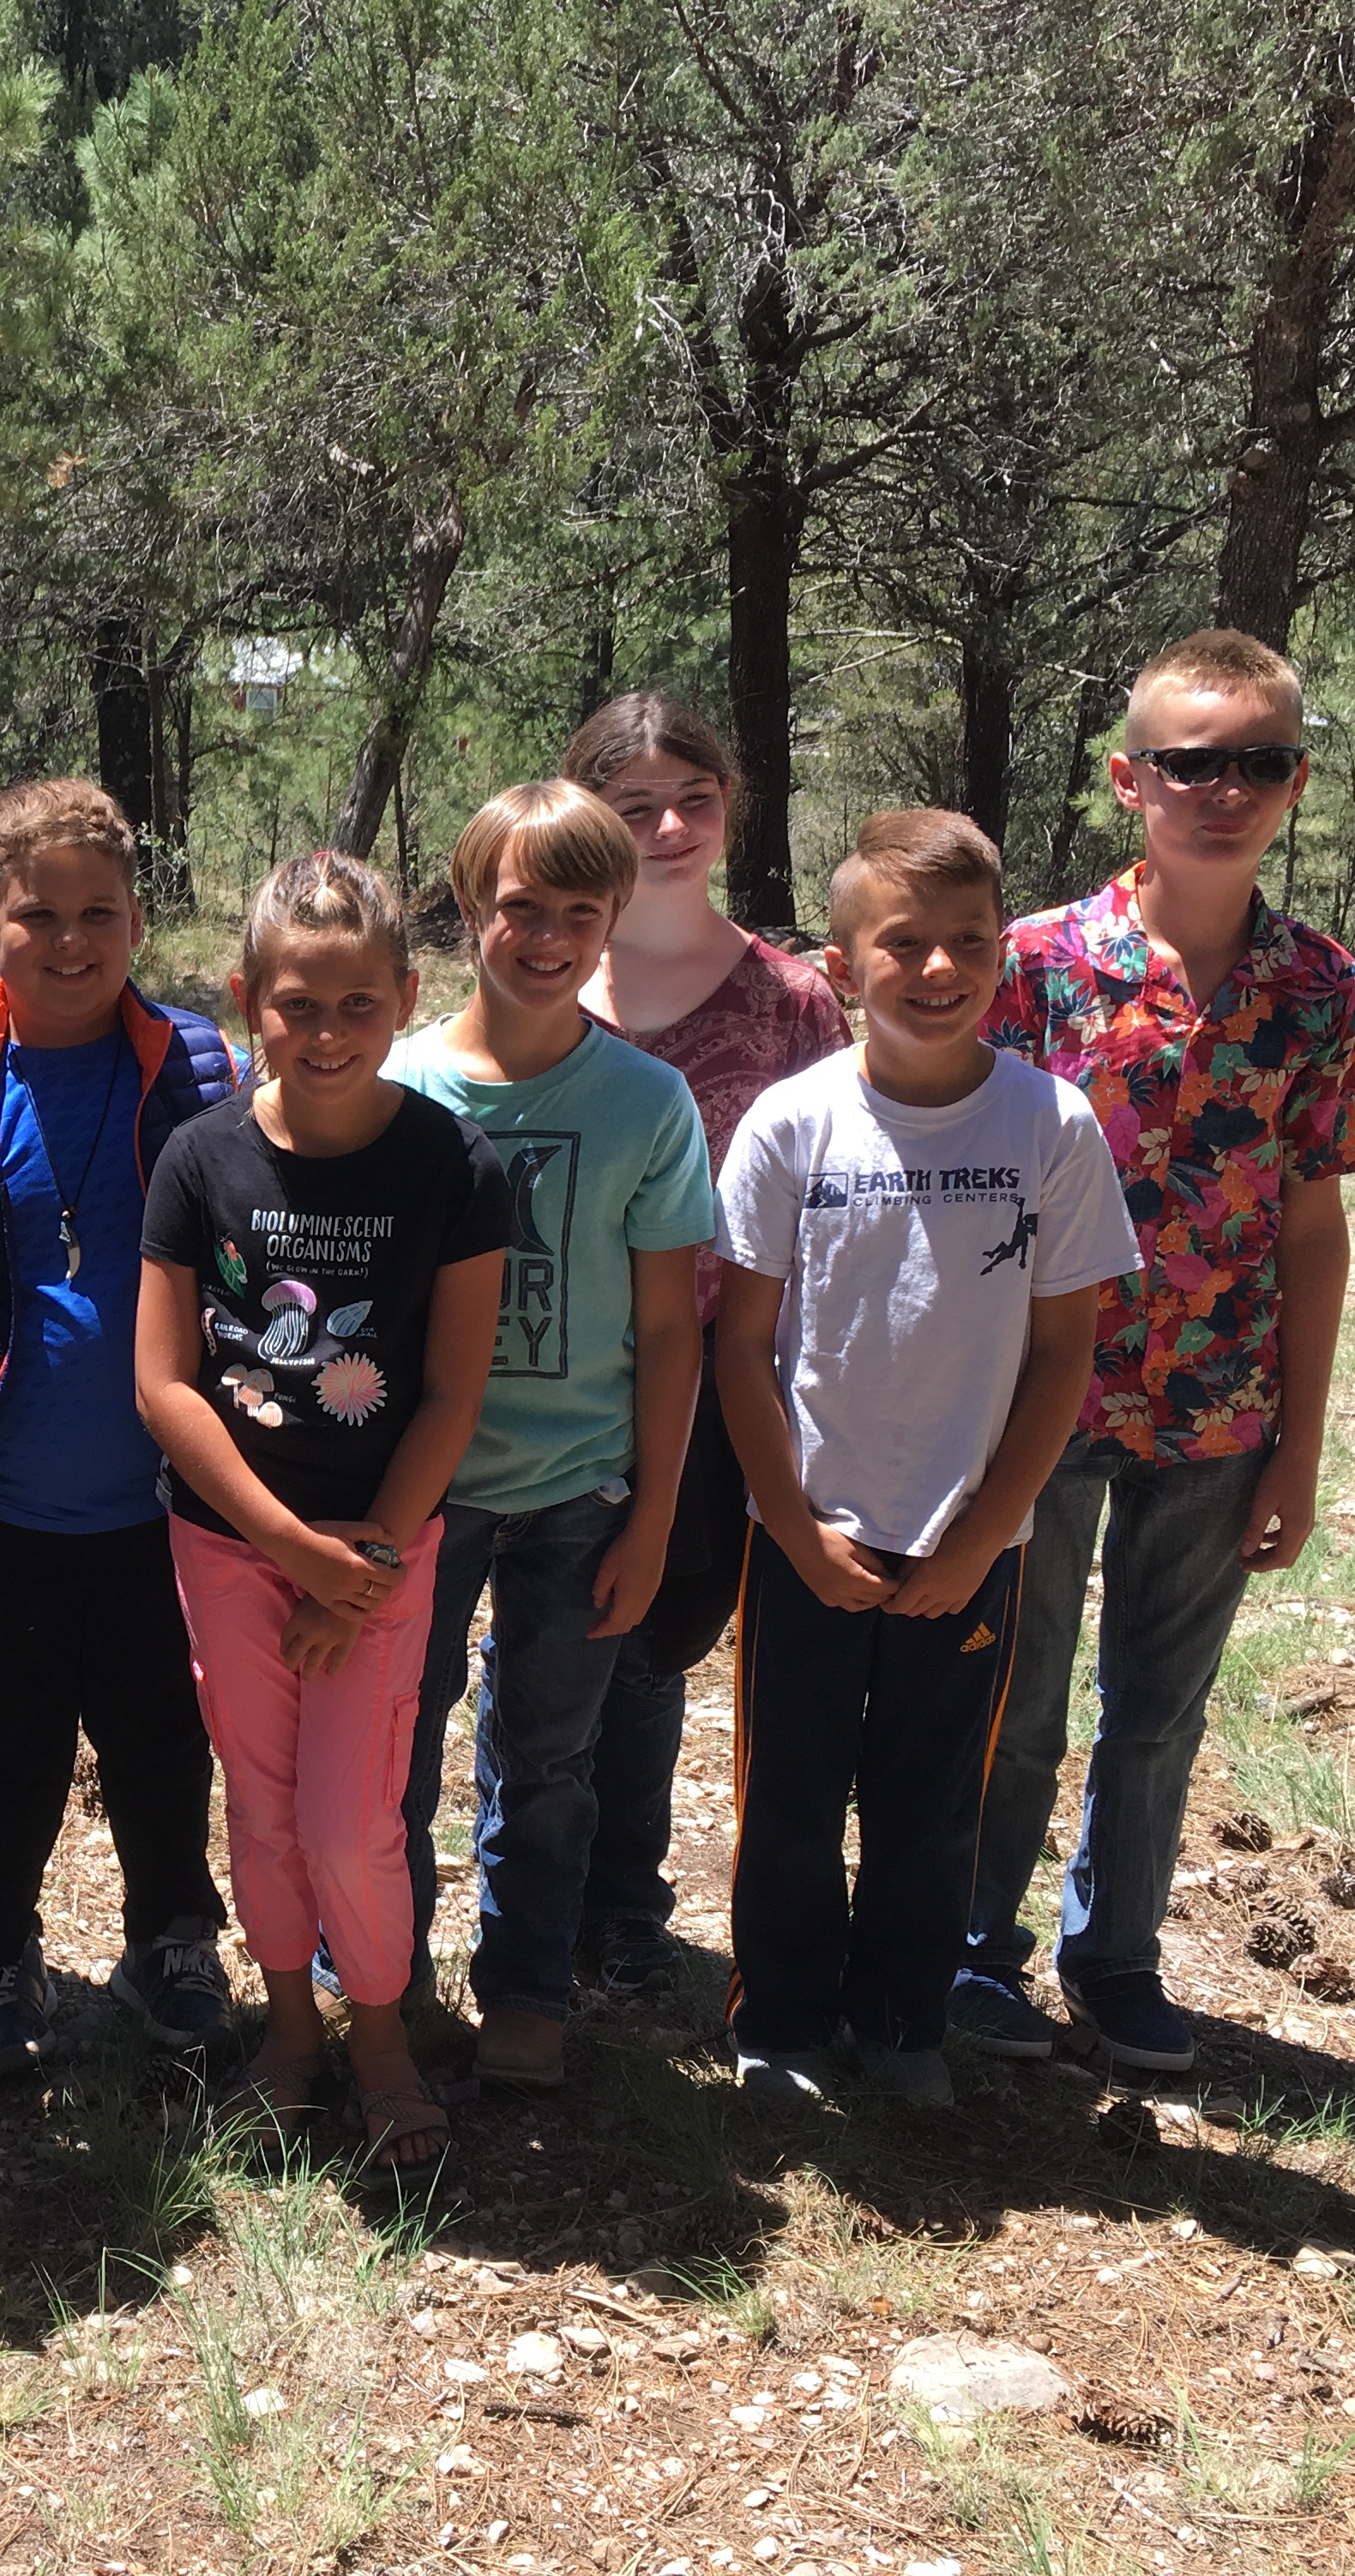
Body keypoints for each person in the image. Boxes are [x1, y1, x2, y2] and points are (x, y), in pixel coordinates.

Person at [955, 629, 1355, 2073]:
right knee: (1015, 1695)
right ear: (1129, 780)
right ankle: (974, 1950)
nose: (1225, 789)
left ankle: (1116, 1959)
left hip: (1219, 1410)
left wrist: (1299, 1449)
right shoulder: (1033, 967)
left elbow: (1313, 1229)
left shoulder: (1320, 987)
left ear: (1296, 782)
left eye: (1259, 761)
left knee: (1157, 1710)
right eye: (1191, 763)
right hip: (1038, 1398)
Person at [708, 811, 1137, 2104]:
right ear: (842, 965)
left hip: (969, 1546)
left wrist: (983, 1534)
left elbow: (1064, 1353)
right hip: (809, 1536)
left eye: (969, 942)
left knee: (933, 1798)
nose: (939, 968)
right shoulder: (791, 1125)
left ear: (1003, 956)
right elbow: (741, 1345)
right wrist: (792, 1528)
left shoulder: (1051, 1125)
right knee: (790, 1794)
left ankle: (902, 2027)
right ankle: (782, 2023)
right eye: (904, 943)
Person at [137, 852, 505, 2178]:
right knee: (265, 1801)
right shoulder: (200, 1158)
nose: (329, 1031)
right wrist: (285, 1543)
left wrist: (369, 1563)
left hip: (385, 1551)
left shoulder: (454, 1163)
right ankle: (290, 2030)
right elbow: (164, 1383)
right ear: (250, 1002)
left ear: (406, 997)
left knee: (354, 1817)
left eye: (359, 1004)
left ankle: (382, 2037)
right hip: (231, 1545)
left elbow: (454, 1387)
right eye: (299, 1004)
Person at [0, 778, 238, 2081]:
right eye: (36, 914)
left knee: (163, 1740)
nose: (70, 939)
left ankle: (173, 1940)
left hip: (166, 1500)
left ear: (138, 921)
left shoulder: (199, 1068)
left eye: (99, 912)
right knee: (1, 1750)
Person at [387, 782, 712, 2090]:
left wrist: (655, 1513)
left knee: (552, 1756)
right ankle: (384, 1975)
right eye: (522, 906)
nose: (549, 937)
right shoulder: (397, 1084)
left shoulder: (647, 1101)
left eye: (582, 912)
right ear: (472, 904)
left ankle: (526, 1986)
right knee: (395, 1746)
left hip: (581, 1488)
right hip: (418, 1490)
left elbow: (673, 1329)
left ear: (614, 919)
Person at [563, 695, 849, 1992]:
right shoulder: (543, 971)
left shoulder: (793, 1001)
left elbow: (839, 1203)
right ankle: (535, 1894)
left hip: (724, 1374)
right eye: (635, 806)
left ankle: (623, 1902)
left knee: (657, 1633)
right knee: (546, 1634)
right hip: (553, 1369)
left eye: (696, 798)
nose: (670, 828)